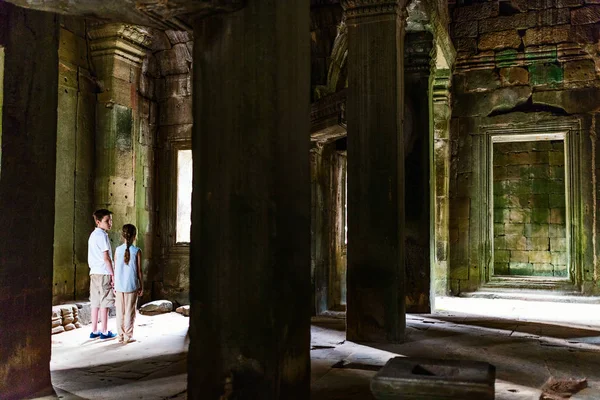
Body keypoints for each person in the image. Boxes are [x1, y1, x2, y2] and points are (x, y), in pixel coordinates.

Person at [88, 209, 117, 339]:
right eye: (107, 221)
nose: (110, 223)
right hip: (103, 272)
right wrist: (113, 274)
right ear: (98, 222)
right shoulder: (102, 236)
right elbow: (106, 258)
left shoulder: (93, 235)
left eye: (110, 220)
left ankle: (94, 330)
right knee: (105, 303)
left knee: (95, 302)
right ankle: (105, 331)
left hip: (94, 272)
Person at [114, 224, 143, 344]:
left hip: (119, 285)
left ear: (122, 236)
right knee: (130, 311)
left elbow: (116, 268)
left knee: (120, 312)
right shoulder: (137, 251)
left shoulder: (117, 250)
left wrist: (114, 284)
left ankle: (120, 335)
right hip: (131, 285)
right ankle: (128, 336)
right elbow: (139, 271)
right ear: (135, 236)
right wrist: (142, 286)